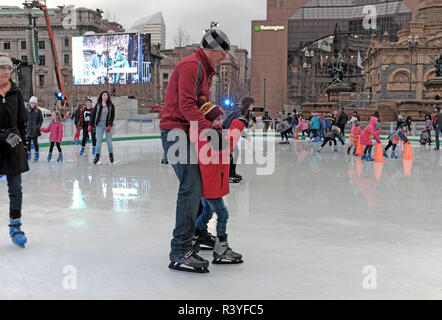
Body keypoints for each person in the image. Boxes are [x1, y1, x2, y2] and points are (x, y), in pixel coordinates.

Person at [159, 28, 231, 273]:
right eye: (222, 54)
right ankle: (179, 250)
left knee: (199, 186)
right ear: (212, 50)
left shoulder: (205, 71)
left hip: (187, 133)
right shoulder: (192, 66)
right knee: (191, 188)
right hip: (176, 132)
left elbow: (200, 105)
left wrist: (214, 120)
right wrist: (209, 131)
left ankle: (196, 234)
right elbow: (186, 105)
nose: (223, 59)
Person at [194, 102, 248, 264]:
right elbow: (228, 143)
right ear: (207, 120)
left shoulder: (210, 133)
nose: (220, 122)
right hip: (211, 184)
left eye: (221, 119)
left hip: (210, 182)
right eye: (217, 119)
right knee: (223, 215)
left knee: (207, 213)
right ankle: (221, 249)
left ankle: (193, 236)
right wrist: (239, 123)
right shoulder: (209, 135)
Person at [0, 52, 29, 248]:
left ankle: (15, 226)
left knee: (16, 190)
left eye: (8, 68)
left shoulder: (16, 93)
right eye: (2, 68)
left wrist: (23, 142)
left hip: (13, 146)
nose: (5, 71)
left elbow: (21, 121)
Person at [222, 96, 255, 182]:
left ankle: (232, 173)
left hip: (232, 136)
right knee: (232, 153)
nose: (253, 106)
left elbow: (240, 127)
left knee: (235, 153)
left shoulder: (244, 113)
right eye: (252, 104)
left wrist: (245, 135)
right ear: (248, 104)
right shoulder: (239, 113)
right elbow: (230, 124)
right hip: (227, 135)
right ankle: (228, 174)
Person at [90, 91, 115, 165]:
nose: (105, 96)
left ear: (108, 97)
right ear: (101, 96)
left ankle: (111, 155)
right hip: (99, 125)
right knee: (98, 141)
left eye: (106, 95)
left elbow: (112, 116)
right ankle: (97, 156)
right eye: (104, 95)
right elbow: (93, 115)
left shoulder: (111, 105)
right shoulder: (98, 105)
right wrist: (90, 124)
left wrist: (110, 125)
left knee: (109, 141)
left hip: (107, 125)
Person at [26, 96, 43, 162]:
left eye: (34, 103)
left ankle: (36, 153)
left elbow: (40, 120)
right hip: (28, 129)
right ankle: (29, 153)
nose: (32, 104)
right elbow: (24, 119)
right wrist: (25, 126)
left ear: (36, 104)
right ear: (29, 103)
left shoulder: (38, 111)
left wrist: (38, 126)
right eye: (31, 103)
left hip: (35, 130)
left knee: (35, 142)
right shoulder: (26, 110)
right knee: (28, 142)